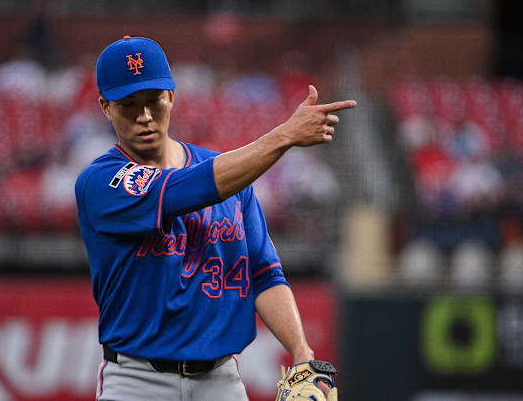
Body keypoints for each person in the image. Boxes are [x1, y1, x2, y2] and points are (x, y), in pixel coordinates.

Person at [75, 35, 356, 401]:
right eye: (128, 104)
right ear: (105, 107)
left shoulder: (231, 177)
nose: (144, 116)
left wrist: (303, 355)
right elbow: (186, 190)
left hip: (221, 380)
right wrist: (283, 136)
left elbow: (264, 272)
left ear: (171, 97)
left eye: (153, 101)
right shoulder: (100, 183)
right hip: (137, 381)